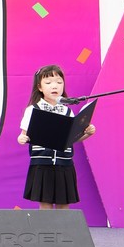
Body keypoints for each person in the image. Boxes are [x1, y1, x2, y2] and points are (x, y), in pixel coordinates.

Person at [17, 64, 95, 210]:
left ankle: (62, 227)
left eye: (59, 82)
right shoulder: (33, 109)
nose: (55, 86)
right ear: (39, 87)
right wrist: (22, 138)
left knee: (63, 205)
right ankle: (45, 227)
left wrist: (87, 133)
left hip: (64, 164)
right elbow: (23, 134)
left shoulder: (67, 111)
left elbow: (71, 138)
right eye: (48, 82)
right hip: (42, 164)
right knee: (45, 205)